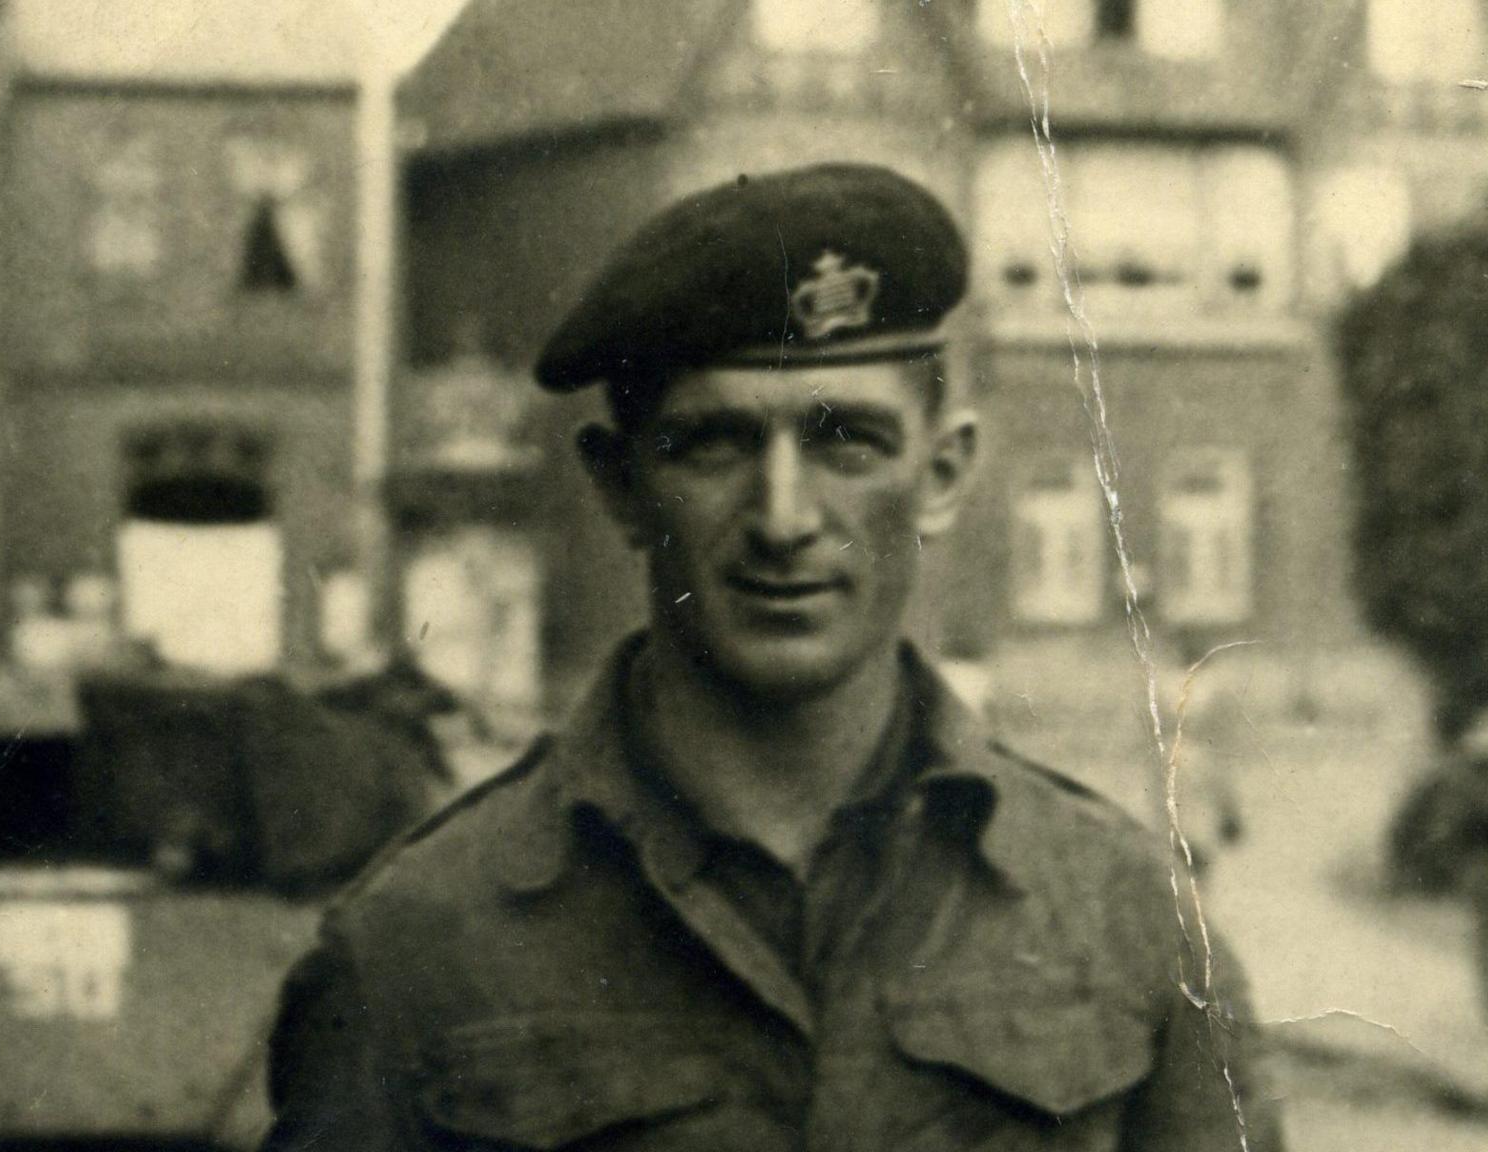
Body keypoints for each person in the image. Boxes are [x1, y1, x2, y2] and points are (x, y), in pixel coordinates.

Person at [261, 163, 1283, 1151]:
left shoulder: (1132, 925)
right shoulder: (415, 948)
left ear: (943, 474)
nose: (784, 518)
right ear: (619, 486)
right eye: (714, 444)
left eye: (847, 443)